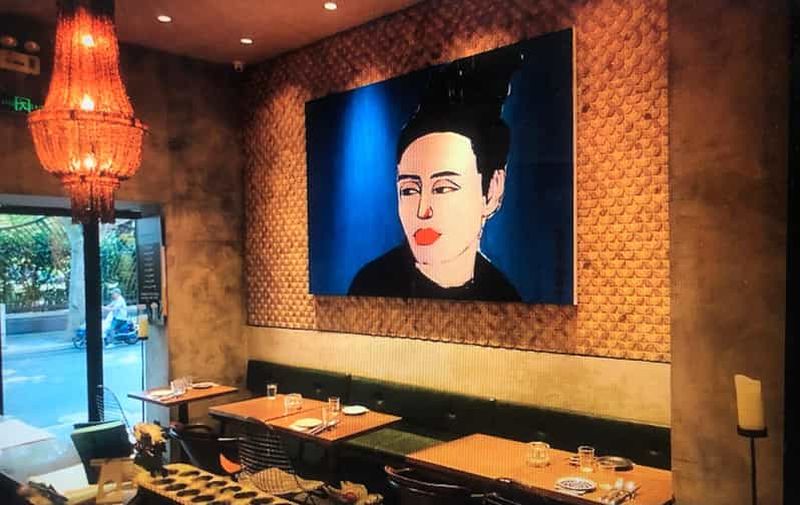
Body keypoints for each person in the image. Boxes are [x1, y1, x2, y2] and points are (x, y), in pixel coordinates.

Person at [348, 51, 522, 301]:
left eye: (443, 188)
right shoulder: (371, 285)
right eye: (409, 190)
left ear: (492, 191)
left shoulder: (503, 295)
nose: (423, 210)